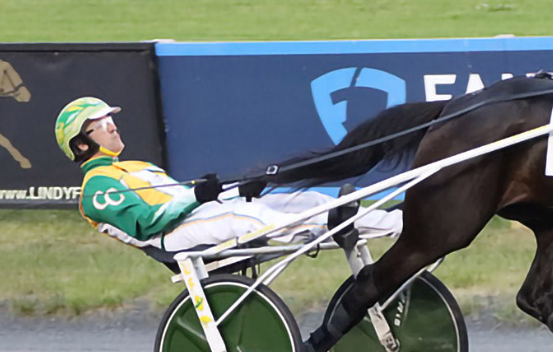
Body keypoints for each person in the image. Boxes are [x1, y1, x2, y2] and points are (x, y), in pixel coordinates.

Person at [55, 97, 402, 254]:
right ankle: (329, 225)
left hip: (193, 217)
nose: (112, 125)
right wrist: (199, 196)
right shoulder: (96, 189)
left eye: (109, 118)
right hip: (170, 238)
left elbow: (182, 196)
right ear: (81, 144)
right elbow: (146, 222)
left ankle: (396, 223)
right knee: (248, 216)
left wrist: (239, 188)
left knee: (300, 199)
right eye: (100, 124)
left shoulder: (134, 167)